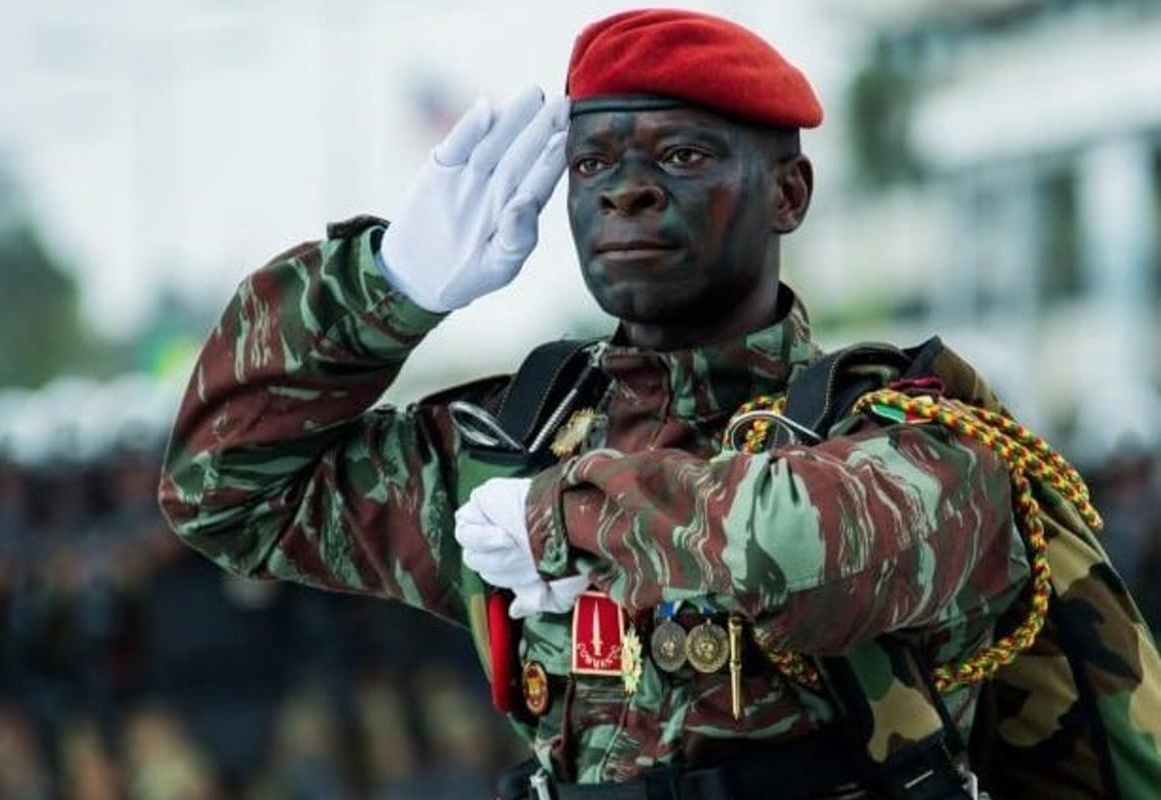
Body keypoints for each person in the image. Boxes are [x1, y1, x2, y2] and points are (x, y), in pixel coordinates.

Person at [159, 9, 1027, 798]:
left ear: (788, 194)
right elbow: (221, 491)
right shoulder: (517, 440)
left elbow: (803, 547)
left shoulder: (908, 433)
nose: (626, 190)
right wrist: (388, 287)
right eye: (592, 164)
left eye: (682, 156)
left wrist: (562, 515)